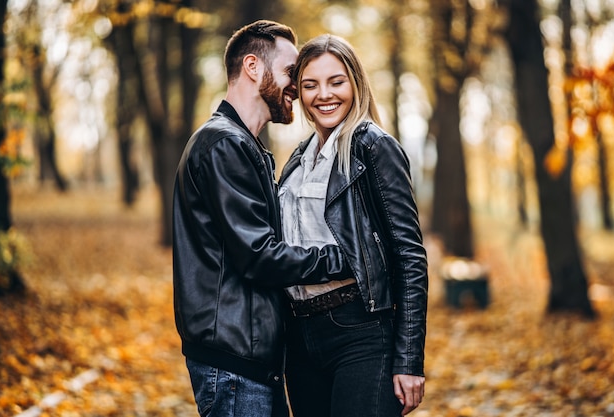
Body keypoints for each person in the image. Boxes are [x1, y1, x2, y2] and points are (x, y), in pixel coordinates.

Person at [172, 21, 352, 417]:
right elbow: (259, 256)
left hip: (250, 358)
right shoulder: (223, 145)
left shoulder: (240, 145)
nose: (296, 84)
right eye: (291, 72)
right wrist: (344, 259)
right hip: (235, 360)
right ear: (253, 67)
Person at [278, 34, 428, 417]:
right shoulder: (297, 160)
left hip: (360, 331)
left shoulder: (373, 147)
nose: (323, 95)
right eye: (310, 85)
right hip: (300, 337)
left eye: (336, 81)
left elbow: (409, 255)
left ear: (355, 83)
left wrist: (409, 360)